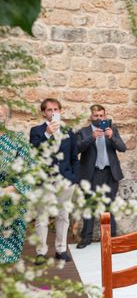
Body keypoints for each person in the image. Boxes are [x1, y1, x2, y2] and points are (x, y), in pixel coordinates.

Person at [29, 98, 78, 264]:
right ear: (43, 112)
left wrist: (73, 178)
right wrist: (47, 134)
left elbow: (74, 157)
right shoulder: (36, 131)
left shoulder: (69, 132)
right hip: (44, 180)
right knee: (42, 216)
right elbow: (35, 152)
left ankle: (61, 250)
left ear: (60, 111)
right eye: (49, 110)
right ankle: (41, 252)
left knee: (63, 216)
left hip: (65, 180)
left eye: (56, 109)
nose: (53, 112)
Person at [75, 104, 126, 248]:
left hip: (110, 174)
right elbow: (76, 149)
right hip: (91, 173)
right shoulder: (83, 132)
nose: (99, 118)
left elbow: (122, 148)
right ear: (91, 116)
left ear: (105, 116)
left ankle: (111, 238)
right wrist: (91, 138)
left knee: (109, 206)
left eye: (101, 116)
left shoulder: (112, 130)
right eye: (96, 116)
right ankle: (86, 238)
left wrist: (112, 138)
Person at [0, 105, 32, 264]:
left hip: (12, 205)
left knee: (9, 255)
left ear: (7, 118)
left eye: (1, 115)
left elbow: (29, 173)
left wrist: (6, 191)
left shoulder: (18, 140)